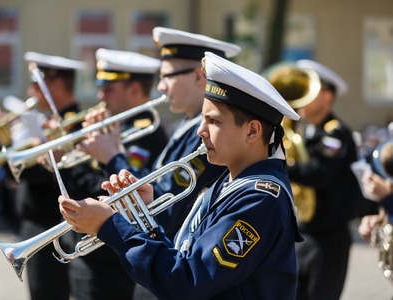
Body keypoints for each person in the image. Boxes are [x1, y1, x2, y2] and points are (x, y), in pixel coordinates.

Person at [59, 51, 302, 299]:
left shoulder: (259, 198)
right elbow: (184, 254)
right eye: (202, 119)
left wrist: (110, 226)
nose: (200, 131)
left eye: (213, 122)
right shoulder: (230, 183)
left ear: (252, 131)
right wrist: (146, 212)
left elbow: (186, 279)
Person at [78, 28, 241, 299]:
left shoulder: (205, 137)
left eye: (166, 77)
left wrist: (113, 157)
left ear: (199, 76)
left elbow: (168, 206)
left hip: (172, 262)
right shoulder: (184, 128)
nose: (161, 87)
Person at [67, 48, 169, 300]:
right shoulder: (116, 126)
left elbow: (110, 190)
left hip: (110, 263)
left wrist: (86, 161)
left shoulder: (146, 132)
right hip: (91, 254)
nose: (100, 95)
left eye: (109, 88)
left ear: (134, 90)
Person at [14, 51, 87, 300]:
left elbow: (37, 178)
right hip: (37, 226)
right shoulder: (49, 123)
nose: (30, 91)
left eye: (35, 85)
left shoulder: (74, 126)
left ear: (55, 84)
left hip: (50, 228)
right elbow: (16, 172)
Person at [285, 59, 360, 300]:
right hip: (304, 233)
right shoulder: (307, 132)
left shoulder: (336, 133)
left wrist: (282, 168)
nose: (302, 98)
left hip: (328, 239)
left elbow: (320, 173)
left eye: (310, 91)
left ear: (327, 96)